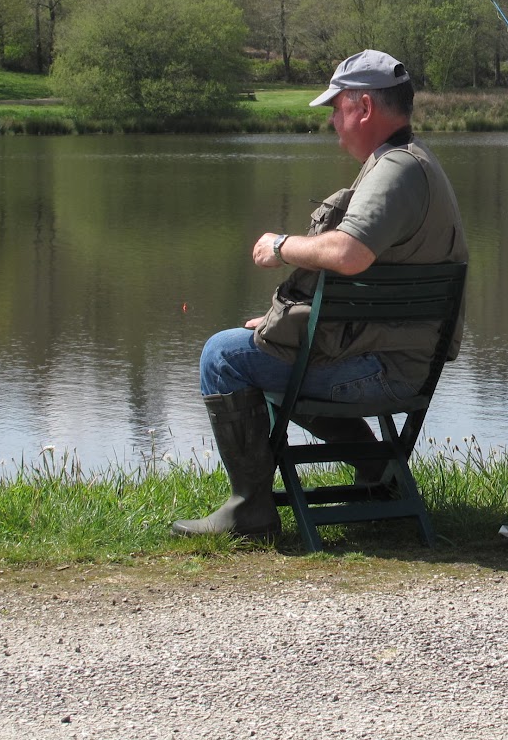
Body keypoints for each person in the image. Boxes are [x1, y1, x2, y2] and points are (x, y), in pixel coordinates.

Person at [172, 50, 468, 538]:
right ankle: (376, 471)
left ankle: (250, 510)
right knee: (267, 351)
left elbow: (350, 254)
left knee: (221, 356)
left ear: (365, 108)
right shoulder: (415, 164)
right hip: (402, 363)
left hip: (381, 372)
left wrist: (281, 246)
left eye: (337, 106)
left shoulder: (395, 171)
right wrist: (281, 330)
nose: (332, 118)